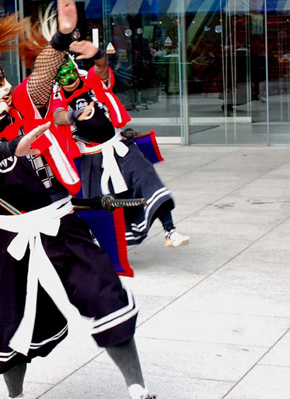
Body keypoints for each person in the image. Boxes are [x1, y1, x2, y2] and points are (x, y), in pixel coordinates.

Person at [0, 0, 168, 399]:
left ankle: (139, 392)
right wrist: (6, 149)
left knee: (105, 297)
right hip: (10, 241)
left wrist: (62, 37)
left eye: (0, 81)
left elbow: (41, 75)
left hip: (62, 226)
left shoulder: (23, 104)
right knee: (12, 323)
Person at [34, 22, 188, 247]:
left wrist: (98, 54)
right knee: (104, 207)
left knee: (148, 179)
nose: (68, 75)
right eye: (61, 72)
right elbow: (58, 116)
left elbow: (102, 69)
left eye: (69, 67)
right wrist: (75, 114)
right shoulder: (56, 98)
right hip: (92, 160)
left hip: (120, 147)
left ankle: (170, 230)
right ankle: (107, 250)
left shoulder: (91, 82)